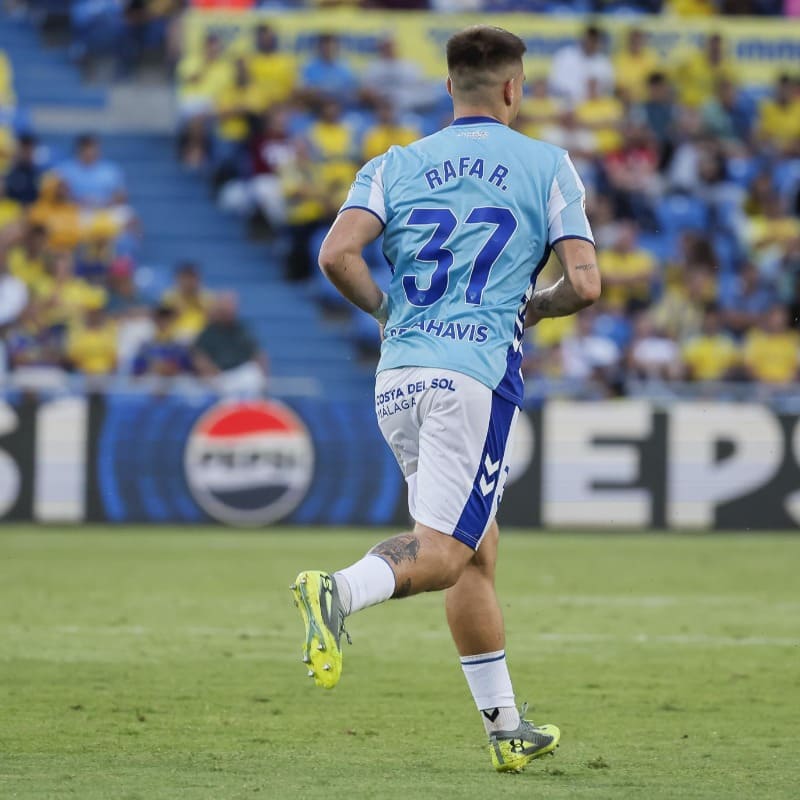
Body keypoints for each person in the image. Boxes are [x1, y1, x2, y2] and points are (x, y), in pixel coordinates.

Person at [290, 26, 600, 774]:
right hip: (472, 377)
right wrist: (537, 306)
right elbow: (587, 284)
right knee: (443, 553)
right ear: (514, 88)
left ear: (450, 88)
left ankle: (505, 727)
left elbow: (337, 254)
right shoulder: (546, 164)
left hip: (399, 374)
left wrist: (386, 313)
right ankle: (336, 590)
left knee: (476, 554)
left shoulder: (394, 165)